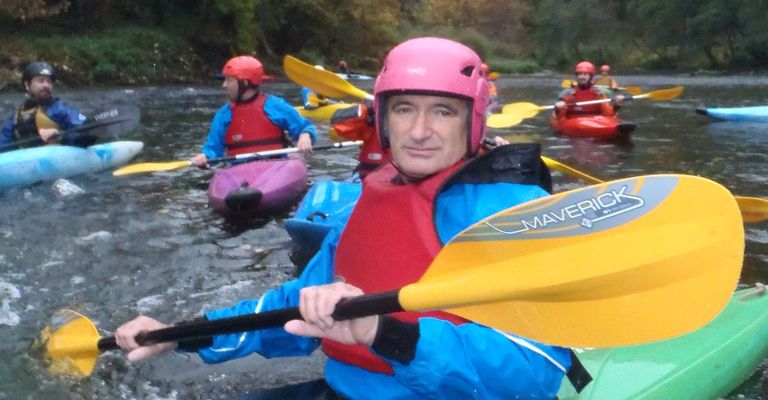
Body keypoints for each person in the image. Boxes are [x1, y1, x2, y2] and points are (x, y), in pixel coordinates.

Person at [115, 38, 575, 399]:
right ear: (384, 119)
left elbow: (535, 371)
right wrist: (183, 334)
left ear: (472, 121)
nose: (418, 131)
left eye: (442, 111)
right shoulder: (364, 202)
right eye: (403, 109)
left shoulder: (514, 215)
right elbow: (296, 305)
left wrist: (383, 331)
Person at [190, 55, 316, 167]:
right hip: (239, 171)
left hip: (275, 167)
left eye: (229, 80)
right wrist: (205, 158)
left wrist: (305, 136)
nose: (224, 85)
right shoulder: (224, 115)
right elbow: (213, 151)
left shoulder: (274, 106)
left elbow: (305, 127)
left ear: (244, 83)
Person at [0, 61, 88, 149]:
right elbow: (2, 145)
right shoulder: (16, 118)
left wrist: (61, 137)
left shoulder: (60, 109)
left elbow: (88, 133)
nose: (46, 85)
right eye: (40, 81)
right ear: (27, 85)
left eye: (49, 82)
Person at [330, 102, 388, 178]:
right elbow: (337, 122)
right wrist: (366, 113)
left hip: (398, 177)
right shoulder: (370, 120)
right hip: (367, 175)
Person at [554, 61, 624, 119]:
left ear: (590, 77)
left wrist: (617, 105)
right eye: (579, 74)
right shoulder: (568, 93)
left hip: (594, 121)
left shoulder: (598, 92)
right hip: (572, 120)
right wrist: (558, 108)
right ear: (576, 76)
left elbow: (608, 114)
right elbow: (559, 116)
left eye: (585, 74)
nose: (582, 77)